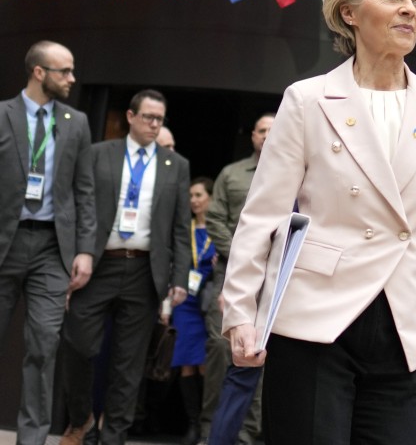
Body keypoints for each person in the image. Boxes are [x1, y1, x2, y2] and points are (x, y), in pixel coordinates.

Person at [220, 0, 416, 444]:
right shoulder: (307, 100)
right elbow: (263, 215)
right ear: (349, 11)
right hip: (313, 320)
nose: (410, 10)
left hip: (408, 324)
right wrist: (240, 310)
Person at [60, 89, 192, 445]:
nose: (153, 124)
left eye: (159, 119)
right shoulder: (100, 154)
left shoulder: (175, 165)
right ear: (131, 117)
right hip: (99, 265)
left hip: (144, 271)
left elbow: (181, 228)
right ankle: (82, 419)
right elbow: (79, 207)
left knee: (128, 363)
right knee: (78, 345)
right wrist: (76, 253)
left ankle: (113, 436)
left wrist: (179, 277)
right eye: (148, 117)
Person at [0, 41, 95, 445]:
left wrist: (85, 250)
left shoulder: (77, 121)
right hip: (5, 242)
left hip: (52, 251)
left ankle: (31, 440)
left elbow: (84, 190)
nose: (72, 79)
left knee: (43, 349)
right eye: (64, 71)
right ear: (39, 72)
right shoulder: (2, 115)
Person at [203, 114, 275, 445]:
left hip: (278, 282)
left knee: (259, 361)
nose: (267, 136)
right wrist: (243, 258)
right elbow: (214, 217)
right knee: (225, 353)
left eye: (274, 130)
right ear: (253, 137)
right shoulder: (231, 174)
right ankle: (211, 434)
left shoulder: (300, 174)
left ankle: (248, 438)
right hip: (232, 274)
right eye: (262, 131)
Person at [168, 177, 217, 445]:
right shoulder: (184, 229)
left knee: (206, 364)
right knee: (186, 362)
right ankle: (193, 425)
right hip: (184, 301)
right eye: (191, 196)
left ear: (210, 197)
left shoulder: (218, 230)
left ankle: (209, 424)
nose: (194, 200)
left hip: (207, 302)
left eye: (199, 195)